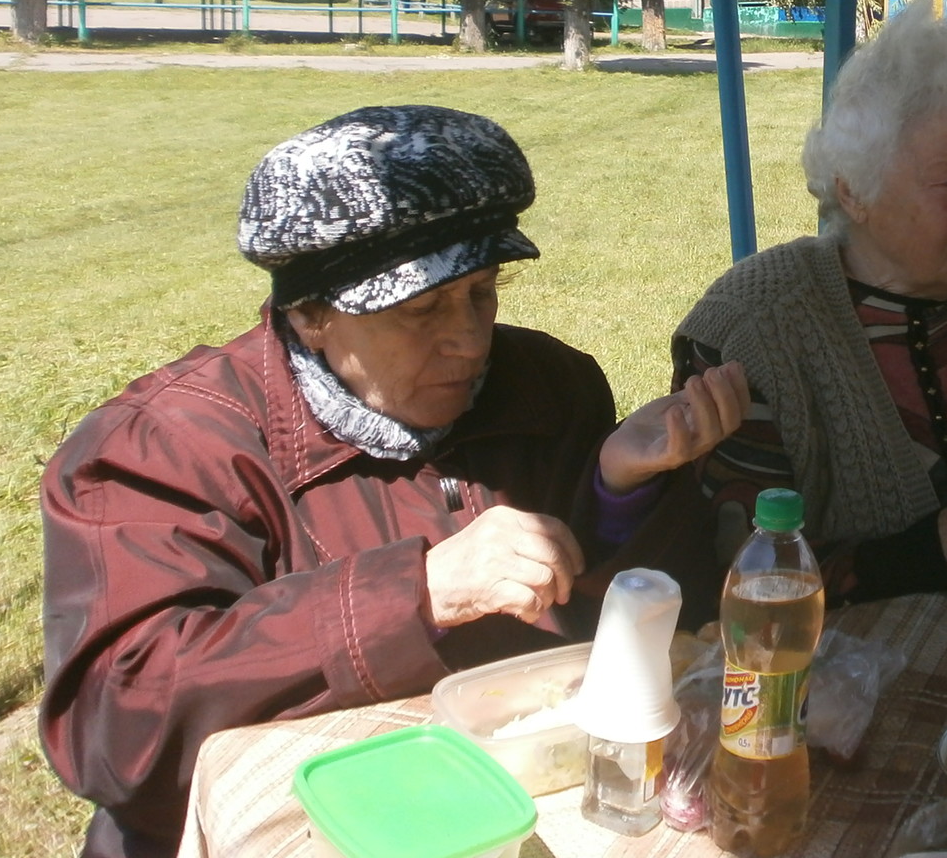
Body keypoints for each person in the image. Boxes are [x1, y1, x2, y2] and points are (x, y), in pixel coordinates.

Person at [39, 106, 747, 858]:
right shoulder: (165, 446)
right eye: (421, 310)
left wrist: (621, 490)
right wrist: (411, 595)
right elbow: (114, 724)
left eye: (484, 291)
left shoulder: (548, 385)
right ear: (311, 314)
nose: (471, 340)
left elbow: (630, 647)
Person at [662, 0, 947, 605]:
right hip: (841, 687)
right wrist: (936, 550)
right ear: (855, 190)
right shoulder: (754, 331)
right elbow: (735, 579)